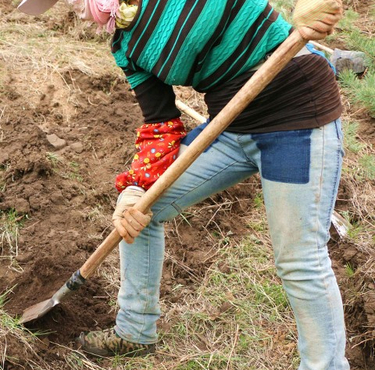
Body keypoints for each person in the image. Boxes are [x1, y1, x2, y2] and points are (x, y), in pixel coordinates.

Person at [17, 0, 348, 368]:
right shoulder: (125, 45)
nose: (72, 8)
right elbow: (159, 123)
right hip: (230, 126)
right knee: (140, 212)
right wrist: (133, 189)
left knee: (298, 259)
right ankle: (134, 332)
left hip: (296, 117)